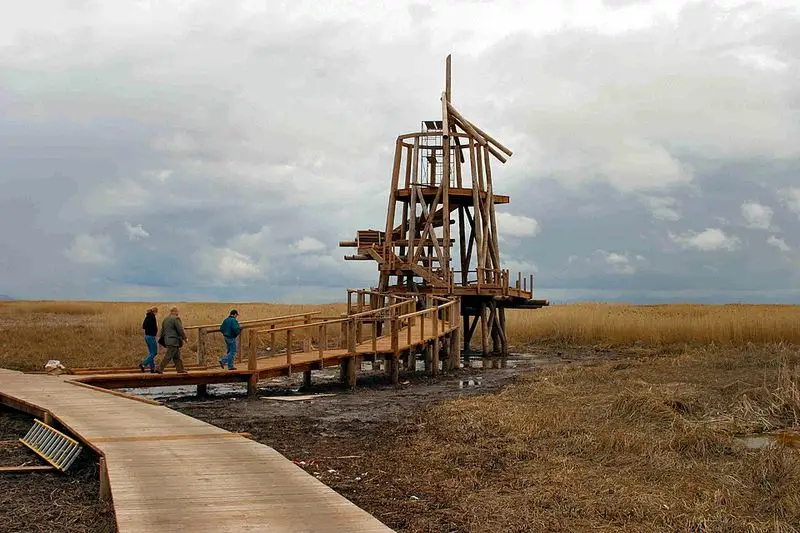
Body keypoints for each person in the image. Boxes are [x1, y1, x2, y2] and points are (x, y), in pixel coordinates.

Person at [155, 307, 188, 374]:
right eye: (177, 312)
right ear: (175, 312)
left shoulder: (165, 319)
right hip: (174, 341)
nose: (178, 313)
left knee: (177, 356)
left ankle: (180, 370)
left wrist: (161, 342)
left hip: (167, 340)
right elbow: (180, 330)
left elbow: (162, 331)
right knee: (168, 356)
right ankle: (159, 369)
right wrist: (185, 338)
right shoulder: (176, 319)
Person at [139, 307, 159, 373]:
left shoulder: (147, 316)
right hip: (151, 336)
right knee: (154, 352)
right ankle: (143, 364)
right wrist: (154, 331)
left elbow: (143, 326)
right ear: (155, 311)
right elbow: (154, 327)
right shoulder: (152, 317)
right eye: (157, 312)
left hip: (146, 336)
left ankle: (152, 369)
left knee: (151, 353)